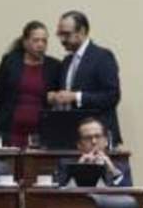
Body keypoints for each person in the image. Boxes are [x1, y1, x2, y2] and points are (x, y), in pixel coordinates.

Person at [48, 10, 123, 145]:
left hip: (98, 138)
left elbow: (112, 96)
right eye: (60, 34)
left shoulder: (102, 57)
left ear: (82, 31)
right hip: (72, 137)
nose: (62, 40)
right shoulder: (67, 61)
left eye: (66, 34)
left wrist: (76, 97)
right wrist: (56, 97)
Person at [0, 21, 63, 148]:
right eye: (36, 40)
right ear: (25, 42)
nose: (40, 44)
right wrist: (4, 116)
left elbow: (57, 98)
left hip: (41, 134)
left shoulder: (54, 66)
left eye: (44, 41)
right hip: (10, 131)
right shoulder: (10, 61)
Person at [55, 116, 131, 187]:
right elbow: (60, 192)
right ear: (79, 144)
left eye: (98, 136)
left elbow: (128, 193)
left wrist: (112, 170)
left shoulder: (121, 167)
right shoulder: (65, 166)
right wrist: (79, 169)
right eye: (87, 138)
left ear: (106, 141)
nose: (94, 141)